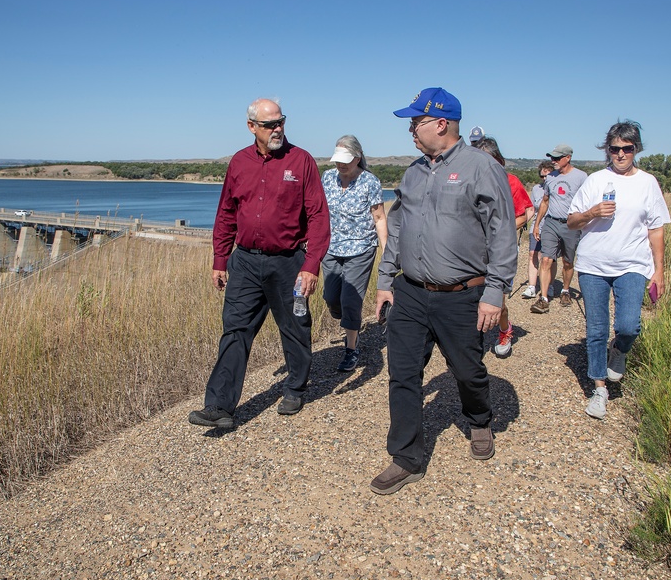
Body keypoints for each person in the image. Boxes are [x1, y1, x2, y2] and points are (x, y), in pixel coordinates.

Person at [370, 87, 517, 495]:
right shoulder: (414, 172)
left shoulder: (481, 167)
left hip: (462, 295)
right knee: (403, 374)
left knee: (467, 371)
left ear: (441, 123)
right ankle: (406, 457)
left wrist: (495, 291)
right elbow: (396, 230)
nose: (411, 130)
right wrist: (385, 281)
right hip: (412, 293)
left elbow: (502, 233)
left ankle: (479, 419)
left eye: (416, 122)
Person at [189, 98, 331, 429]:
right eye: (270, 124)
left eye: (281, 121)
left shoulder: (302, 161)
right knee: (235, 330)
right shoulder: (239, 162)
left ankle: (295, 388)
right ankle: (219, 406)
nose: (277, 128)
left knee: (294, 328)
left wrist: (311, 264)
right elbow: (226, 212)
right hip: (246, 263)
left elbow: (318, 215)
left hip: (288, 264)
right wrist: (220, 258)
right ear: (252, 127)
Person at [567, 120, 670, 420]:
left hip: (633, 265)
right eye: (615, 149)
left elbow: (656, 229)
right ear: (607, 150)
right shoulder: (596, 181)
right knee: (596, 329)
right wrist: (592, 213)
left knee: (628, 326)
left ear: (636, 149)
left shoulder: (648, 183)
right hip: (593, 264)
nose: (621, 154)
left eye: (627, 148)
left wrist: (659, 271)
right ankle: (599, 388)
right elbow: (572, 222)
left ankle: (620, 350)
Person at [321, 135, 388, 372]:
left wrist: (385, 253)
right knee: (331, 297)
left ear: (357, 158)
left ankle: (351, 348)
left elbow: (379, 218)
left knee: (351, 300)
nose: (341, 164)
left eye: (346, 160)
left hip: (360, 248)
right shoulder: (327, 177)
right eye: (338, 160)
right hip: (331, 248)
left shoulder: (370, 182)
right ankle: (348, 321)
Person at [474, 136, 533, 357]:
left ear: (499, 160)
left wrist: (501, 232)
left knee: (498, 299)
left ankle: (504, 329)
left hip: (500, 250)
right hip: (473, 251)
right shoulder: (469, 181)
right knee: (472, 297)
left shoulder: (511, 182)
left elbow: (525, 214)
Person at [530, 144, 587, 314]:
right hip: (551, 223)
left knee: (568, 262)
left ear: (568, 158)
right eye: (551, 158)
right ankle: (544, 298)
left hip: (571, 224)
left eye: (556, 158)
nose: (553, 161)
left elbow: (587, 201)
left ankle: (565, 290)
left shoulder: (581, 177)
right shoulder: (550, 178)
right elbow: (545, 202)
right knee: (546, 259)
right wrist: (538, 224)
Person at [522, 160, 557, 299]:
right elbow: (532, 208)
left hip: (551, 226)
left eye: (547, 176)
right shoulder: (536, 189)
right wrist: (524, 221)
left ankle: (549, 285)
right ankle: (531, 286)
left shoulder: (556, 188)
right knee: (532, 254)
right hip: (536, 225)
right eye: (542, 176)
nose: (544, 179)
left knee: (548, 258)